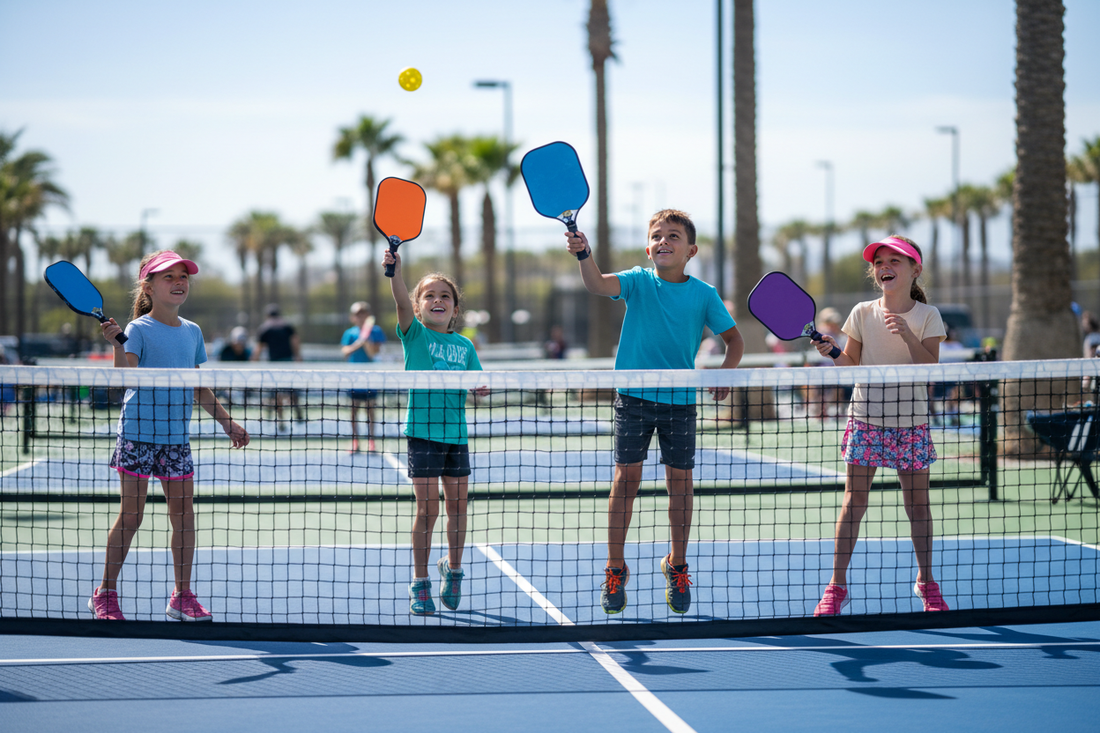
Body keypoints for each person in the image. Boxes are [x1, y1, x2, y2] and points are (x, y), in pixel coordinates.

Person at [566, 209, 744, 615]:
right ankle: (615, 568)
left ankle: (676, 564)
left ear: (691, 250)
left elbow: (734, 341)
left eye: (674, 236)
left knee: (680, 485)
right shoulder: (636, 282)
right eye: (657, 236)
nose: (664, 241)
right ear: (648, 248)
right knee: (625, 480)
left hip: (680, 402)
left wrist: (724, 375)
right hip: (633, 399)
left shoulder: (704, 294)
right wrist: (583, 254)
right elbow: (595, 283)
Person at [89, 250, 250, 622]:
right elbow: (125, 379)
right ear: (148, 286)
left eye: (184, 276)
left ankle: (182, 596)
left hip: (177, 439)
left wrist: (227, 422)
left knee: (184, 516)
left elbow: (198, 386)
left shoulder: (192, 332)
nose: (179, 282)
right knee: (132, 516)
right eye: (169, 277)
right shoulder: (138, 331)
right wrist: (117, 345)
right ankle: (106, 593)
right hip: (138, 436)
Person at [810, 235, 949, 616]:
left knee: (918, 506)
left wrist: (906, 333)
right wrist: (832, 351)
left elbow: (930, 369)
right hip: (865, 418)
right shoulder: (861, 312)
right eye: (879, 262)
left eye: (895, 261)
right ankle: (836, 587)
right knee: (853, 503)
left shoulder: (928, 316)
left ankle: (926, 582)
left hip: (911, 422)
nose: (885, 266)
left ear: (914, 269)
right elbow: (852, 367)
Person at [384, 248, 487, 616]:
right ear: (417, 308)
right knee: (427, 510)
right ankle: (420, 581)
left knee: (458, 508)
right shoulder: (414, 335)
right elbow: (398, 298)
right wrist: (395, 271)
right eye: (429, 295)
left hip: (456, 436)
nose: (438, 300)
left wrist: (479, 389)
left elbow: (476, 383)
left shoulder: (464, 345)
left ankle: (454, 570)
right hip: (423, 433)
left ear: (455, 309)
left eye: (445, 296)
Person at [341, 301, 387, 452]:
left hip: (370, 377)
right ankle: (355, 441)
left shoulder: (376, 331)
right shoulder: (349, 333)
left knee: (370, 409)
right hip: (353, 378)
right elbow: (345, 353)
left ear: (368, 316)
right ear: (352, 317)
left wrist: (367, 342)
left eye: (363, 313)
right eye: (357, 314)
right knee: (354, 410)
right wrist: (358, 343)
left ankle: (371, 441)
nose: (360, 316)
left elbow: (374, 353)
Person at [253, 303, 303, 430]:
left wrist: (253, 363)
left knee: (277, 394)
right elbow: (295, 340)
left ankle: (281, 420)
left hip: (274, 365)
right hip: (288, 363)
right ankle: (298, 414)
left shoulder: (265, 328)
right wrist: (298, 357)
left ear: (267, 315)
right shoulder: (287, 326)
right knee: (291, 390)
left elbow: (258, 348)